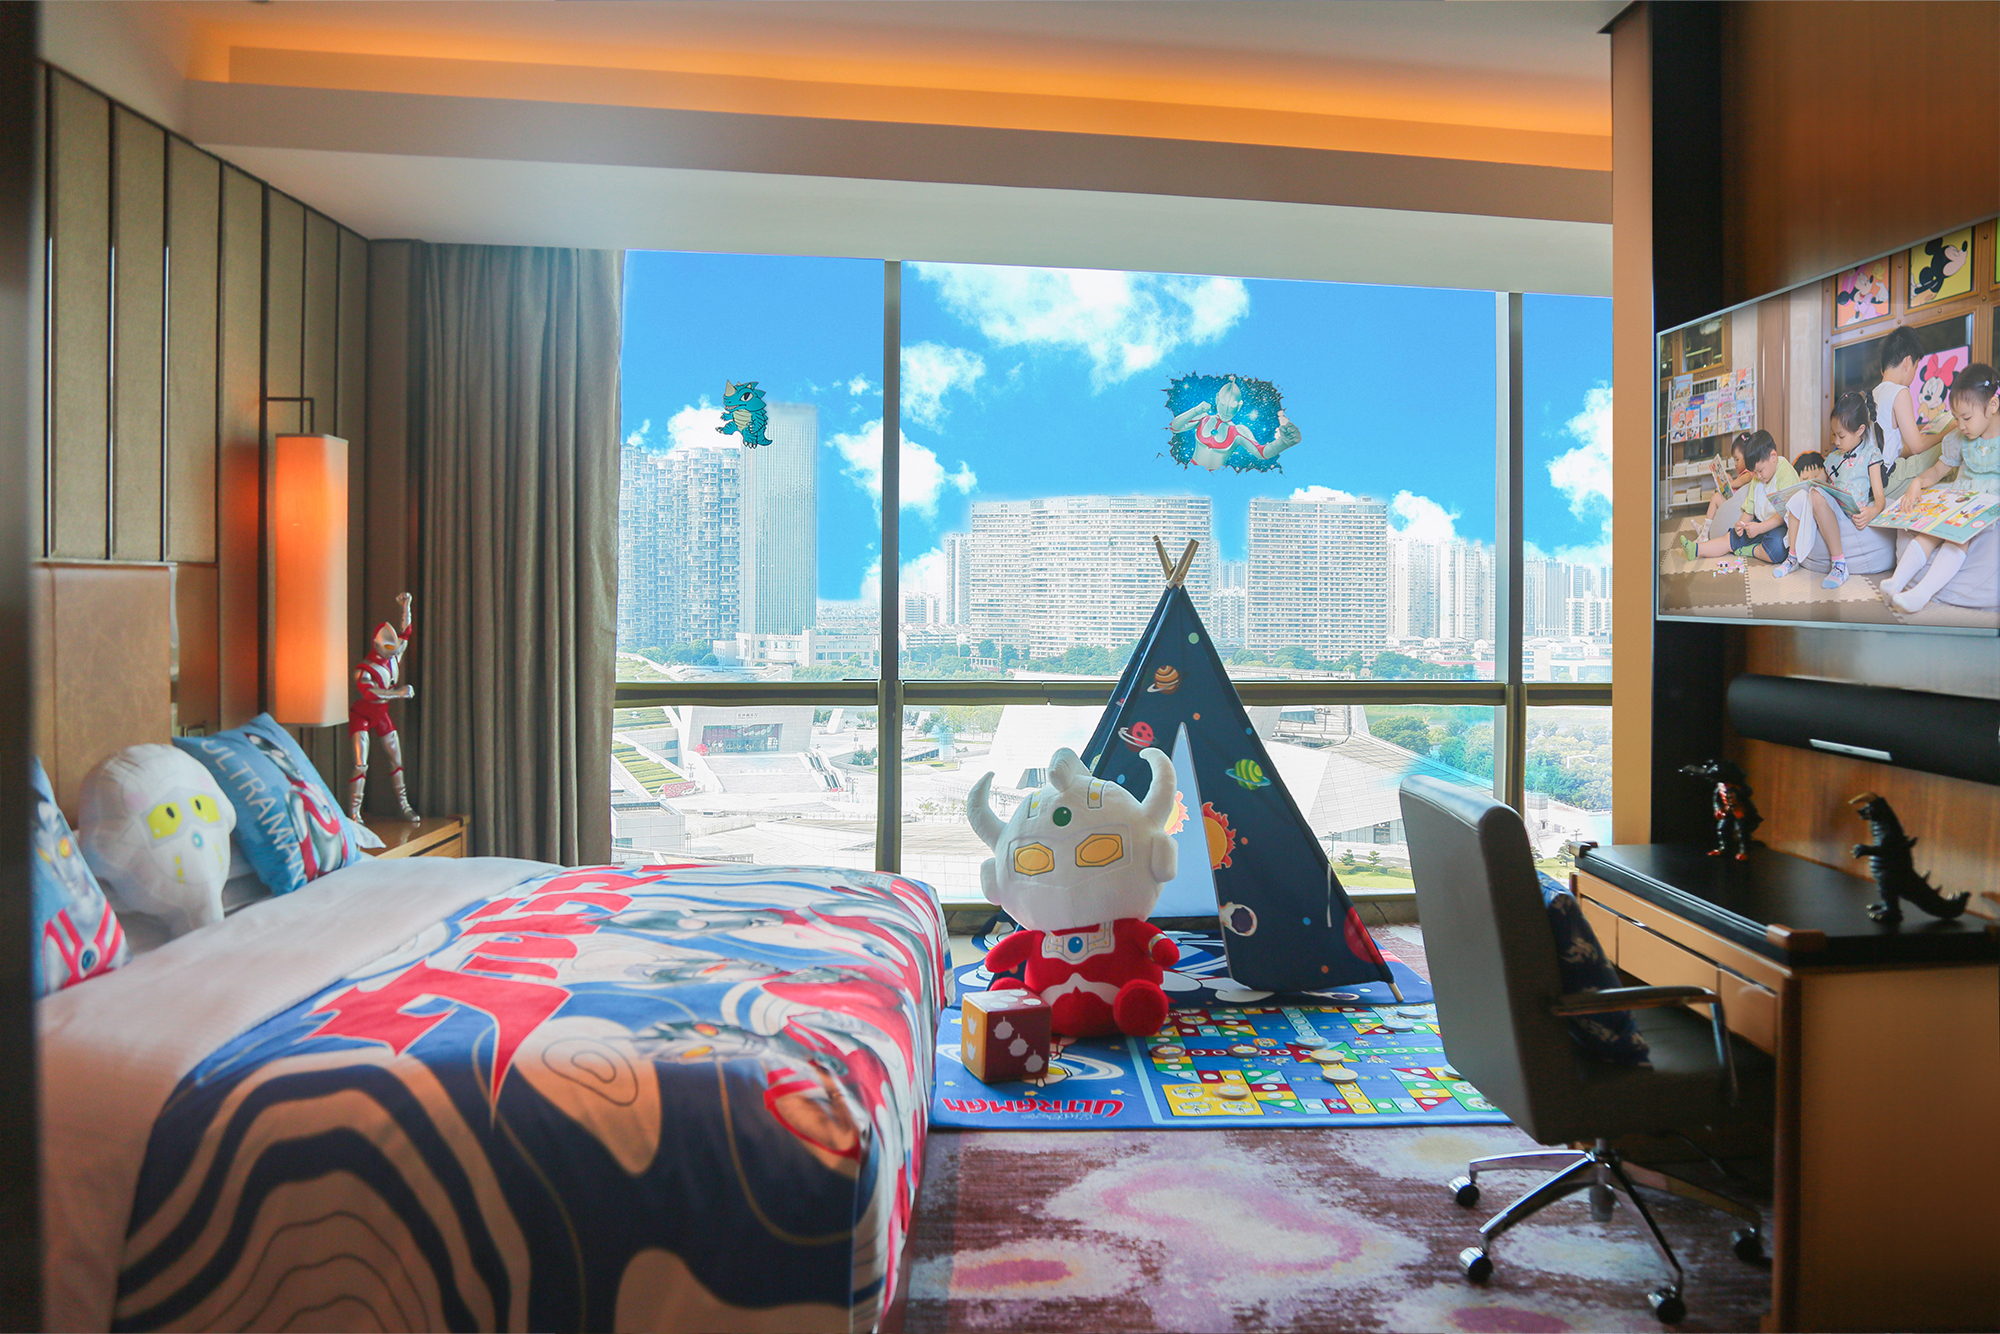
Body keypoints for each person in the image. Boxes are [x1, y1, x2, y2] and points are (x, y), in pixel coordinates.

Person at [1879, 364, 2000, 614]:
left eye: (1966, 418)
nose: (1961, 425)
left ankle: (1922, 593)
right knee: (1930, 530)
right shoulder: (1960, 438)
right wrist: (1917, 482)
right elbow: (1937, 470)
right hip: (1960, 499)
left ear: (1992, 406)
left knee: (1957, 536)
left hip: (1986, 507)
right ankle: (1896, 581)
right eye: (1956, 418)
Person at [1792, 390, 1895, 586]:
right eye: (1833, 435)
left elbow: (1880, 498)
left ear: (1860, 430)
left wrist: (1873, 511)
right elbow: (1817, 485)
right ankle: (1817, 559)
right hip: (1832, 512)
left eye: (1841, 436)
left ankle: (1839, 565)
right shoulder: (1832, 458)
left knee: (1815, 495)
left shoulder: (1871, 454)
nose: (1836, 441)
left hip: (1853, 513)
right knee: (1811, 494)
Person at [1681, 431, 1791, 564]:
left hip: (1780, 526)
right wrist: (1741, 524)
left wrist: (1760, 528)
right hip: (1759, 523)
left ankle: (1751, 550)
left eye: (1760, 471)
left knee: (1777, 547)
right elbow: (1750, 509)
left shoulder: (1785, 473)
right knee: (1731, 538)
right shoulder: (1758, 478)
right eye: (1755, 472)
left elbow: (1783, 515)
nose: (1758, 476)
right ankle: (1696, 549)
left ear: (1773, 457)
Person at [1169, 376, 1300, 472]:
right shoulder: (1203, 418)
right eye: (1223, 404)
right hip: (1191, 474)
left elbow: (1262, 452)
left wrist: (1284, 442)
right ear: (1217, 399)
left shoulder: (1239, 431)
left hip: (1214, 480)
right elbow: (1175, 427)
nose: (1226, 411)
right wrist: (1196, 410)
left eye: (1232, 405)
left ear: (1239, 406)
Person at [1873, 326, 1948, 490]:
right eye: (1916, 366)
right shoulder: (1899, 392)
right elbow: (1917, 446)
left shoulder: (1872, 394)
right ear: (1908, 362)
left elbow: (1897, 450)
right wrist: (1950, 430)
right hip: (1890, 480)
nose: (1914, 373)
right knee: (1954, 440)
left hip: (1875, 482)